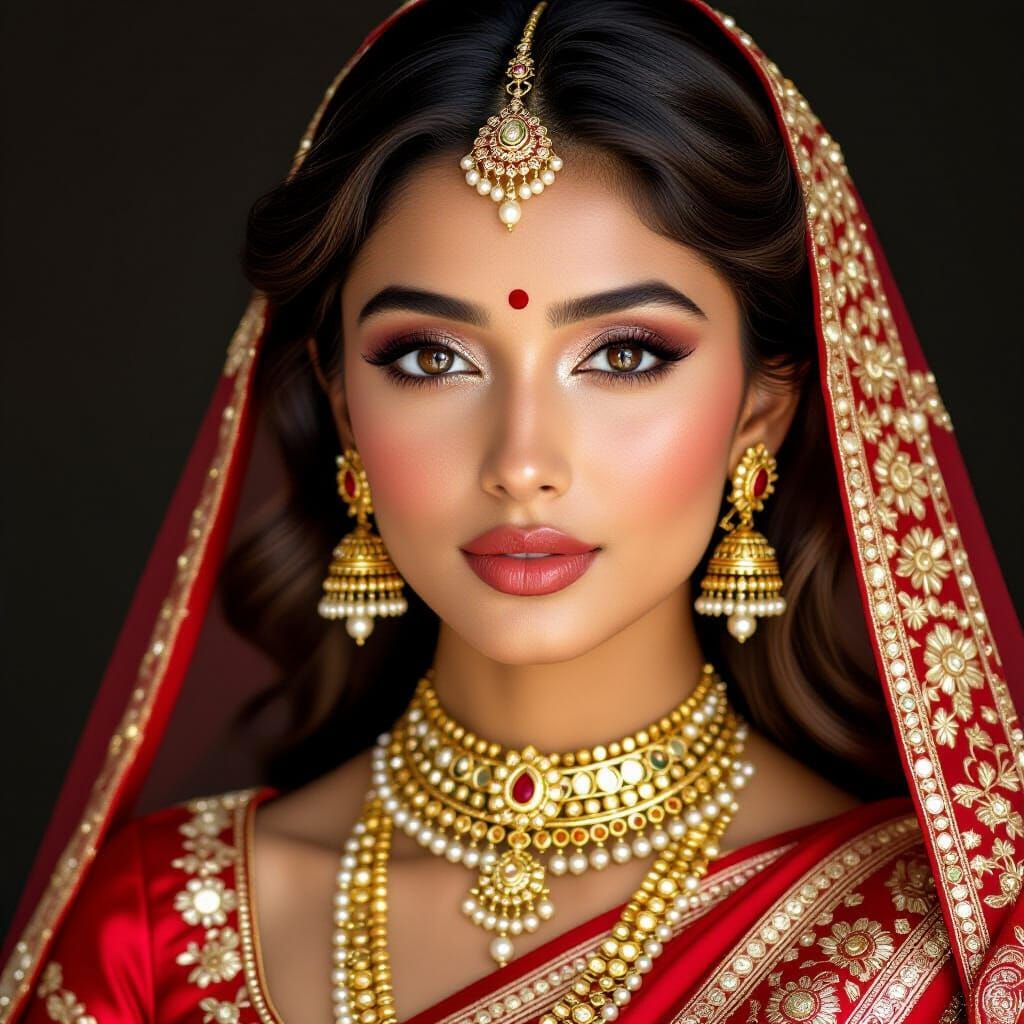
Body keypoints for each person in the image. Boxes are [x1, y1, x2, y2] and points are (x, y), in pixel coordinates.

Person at [2, 0, 1021, 1021]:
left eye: (623, 355)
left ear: (761, 408)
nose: (521, 463)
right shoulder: (163, 930)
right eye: (430, 358)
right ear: (343, 404)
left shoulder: (934, 941)